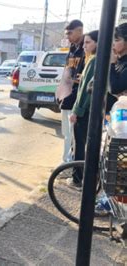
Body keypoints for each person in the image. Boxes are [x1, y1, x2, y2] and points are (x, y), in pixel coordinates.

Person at [68, 30, 98, 188]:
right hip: (90, 111)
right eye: (84, 43)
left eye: (88, 43)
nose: (84, 46)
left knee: (79, 145)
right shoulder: (94, 60)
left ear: (97, 43)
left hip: (84, 111)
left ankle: (76, 179)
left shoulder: (94, 61)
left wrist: (76, 111)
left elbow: (86, 90)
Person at [60, 19, 85, 163]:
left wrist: (77, 79)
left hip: (78, 97)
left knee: (74, 135)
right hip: (67, 96)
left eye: (70, 33)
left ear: (80, 31)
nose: (67, 36)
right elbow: (67, 69)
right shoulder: (72, 48)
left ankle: (69, 164)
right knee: (66, 133)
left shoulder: (86, 49)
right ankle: (66, 162)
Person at [107, 23, 127, 114]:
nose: (113, 43)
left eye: (117, 40)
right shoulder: (116, 60)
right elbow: (91, 86)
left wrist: (111, 64)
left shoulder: (114, 62)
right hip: (111, 114)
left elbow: (114, 88)